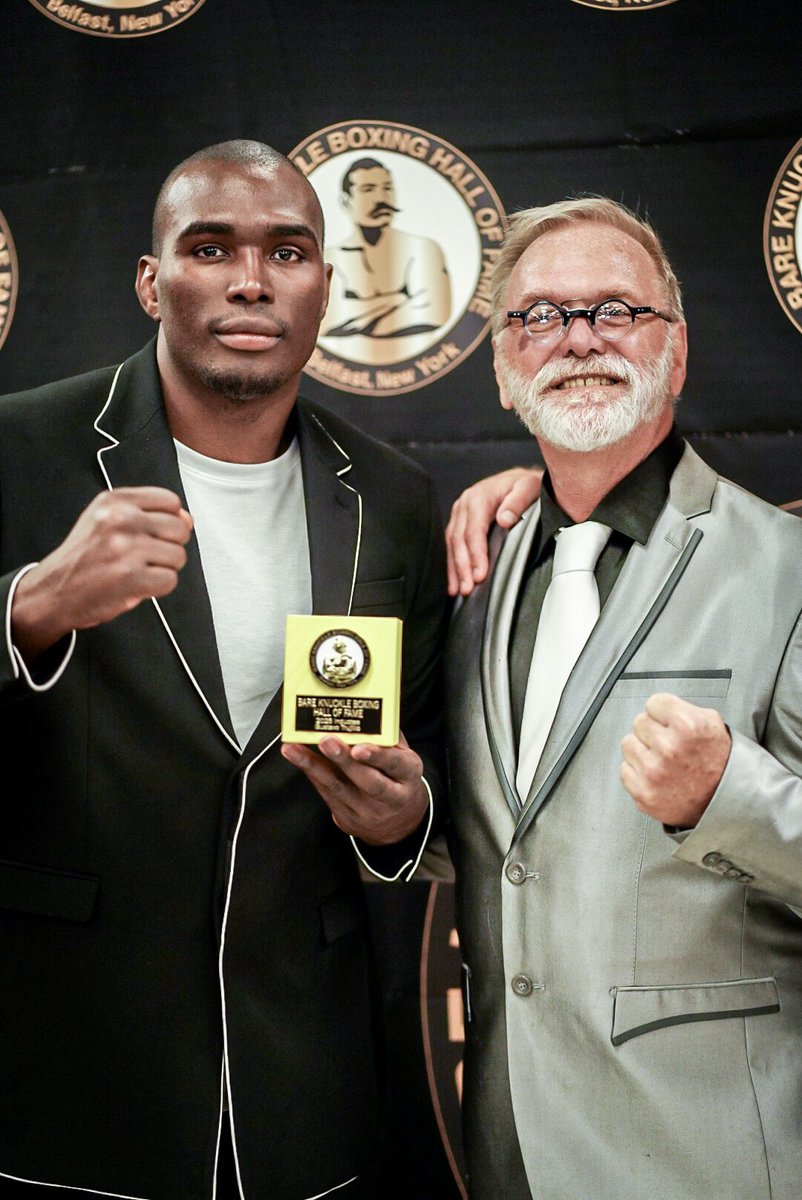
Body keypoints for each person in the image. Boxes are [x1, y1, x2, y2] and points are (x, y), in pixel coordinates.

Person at [0, 140, 447, 1200]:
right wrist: (29, 607)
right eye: (211, 247)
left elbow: (423, 762)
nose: (252, 278)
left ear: (325, 287)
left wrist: (399, 821)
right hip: (64, 1074)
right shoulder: (20, 451)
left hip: (304, 1087)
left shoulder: (393, 495)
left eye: (287, 251)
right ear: (153, 281)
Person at [443, 197, 802, 1200]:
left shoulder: (787, 573)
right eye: (541, 316)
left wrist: (728, 795)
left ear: (675, 353)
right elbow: (513, 840)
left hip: (712, 1161)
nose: (579, 338)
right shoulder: (474, 573)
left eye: (614, 309)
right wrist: (396, 823)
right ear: (506, 372)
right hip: (508, 1153)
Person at [322, 157, 451, 343]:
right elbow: (324, 321)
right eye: (368, 190)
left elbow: (435, 312)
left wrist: (357, 318)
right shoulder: (330, 257)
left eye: (387, 188)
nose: (381, 199)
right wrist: (396, 300)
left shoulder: (422, 249)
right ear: (345, 201)